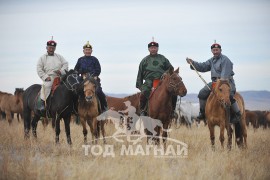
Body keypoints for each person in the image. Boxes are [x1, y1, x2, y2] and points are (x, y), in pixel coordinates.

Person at [186, 43, 241, 123]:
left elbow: (224, 76)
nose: (215, 52)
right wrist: (193, 63)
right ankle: (202, 113)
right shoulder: (211, 60)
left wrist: (219, 83)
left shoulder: (225, 60)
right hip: (215, 83)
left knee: (228, 96)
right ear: (211, 51)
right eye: (214, 50)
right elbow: (203, 66)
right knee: (202, 93)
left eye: (217, 50)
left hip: (227, 83)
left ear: (220, 50)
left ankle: (237, 114)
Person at [136, 40, 177, 116]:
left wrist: (166, 73)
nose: (153, 49)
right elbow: (140, 74)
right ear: (149, 49)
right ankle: (143, 110)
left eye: (155, 47)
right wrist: (140, 86)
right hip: (149, 81)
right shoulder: (144, 61)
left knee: (173, 92)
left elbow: (171, 68)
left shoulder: (163, 59)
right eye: (151, 48)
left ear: (157, 49)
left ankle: (172, 111)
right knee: (143, 93)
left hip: (161, 81)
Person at [74, 41, 108, 112]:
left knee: (99, 92)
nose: (88, 51)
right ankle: (74, 109)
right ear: (83, 51)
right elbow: (76, 70)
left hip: (93, 79)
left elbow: (98, 69)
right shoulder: (80, 60)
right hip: (83, 80)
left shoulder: (95, 59)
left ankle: (104, 108)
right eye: (86, 50)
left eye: (89, 50)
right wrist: (81, 73)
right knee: (76, 92)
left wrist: (94, 75)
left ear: (91, 51)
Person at [37, 38, 68, 112]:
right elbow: (39, 69)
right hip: (49, 77)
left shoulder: (59, 57)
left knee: (69, 86)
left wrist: (61, 71)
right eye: (50, 47)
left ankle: (71, 105)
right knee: (47, 86)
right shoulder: (42, 58)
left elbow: (65, 64)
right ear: (47, 48)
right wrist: (45, 77)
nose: (51, 49)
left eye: (53, 48)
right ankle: (42, 103)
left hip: (60, 76)